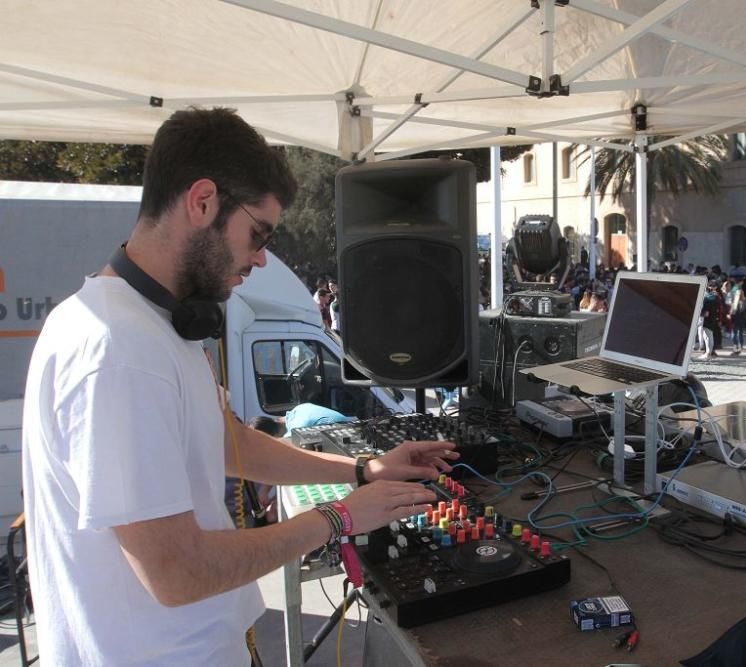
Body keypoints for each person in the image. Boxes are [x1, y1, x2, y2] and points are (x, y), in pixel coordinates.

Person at [20, 107, 458, 665]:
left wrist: (360, 471)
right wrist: (338, 518)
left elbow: (224, 441)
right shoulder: (119, 353)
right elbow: (178, 574)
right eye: (258, 233)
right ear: (202, 202)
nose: (260, 257)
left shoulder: (155, 325)